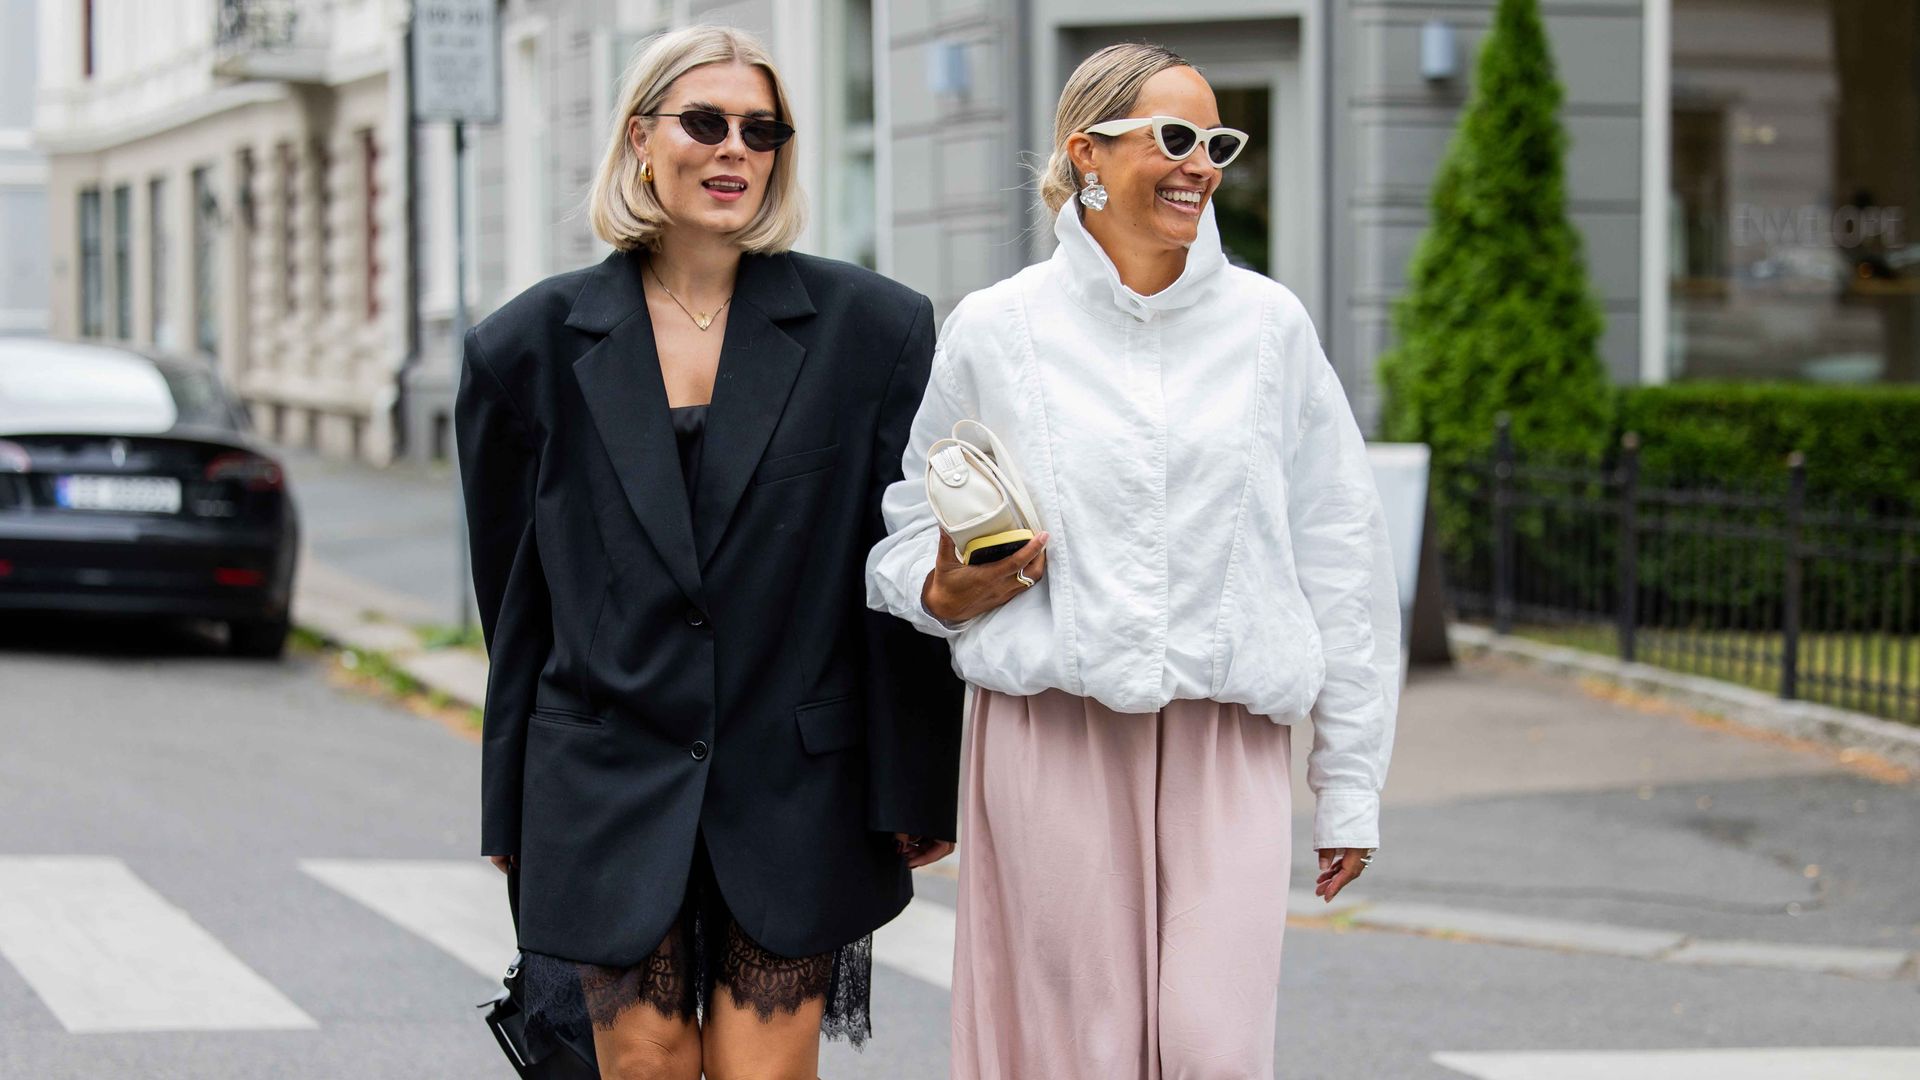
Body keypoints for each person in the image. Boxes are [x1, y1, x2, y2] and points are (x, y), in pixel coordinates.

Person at [865, 42, 1401, 1080]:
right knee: (1077, 1054)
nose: (1201, 163)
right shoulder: (999, 327)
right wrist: (943, 589)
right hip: (1049, 736)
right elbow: (898, 536)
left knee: (1214, 1049)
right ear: (1089, 153)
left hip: (1226, 741)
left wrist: (1350, 785)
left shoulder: (1269, 328)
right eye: (1175, 136)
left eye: (1217, 142)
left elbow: (1343, 552)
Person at [457, 25, 962, 1080]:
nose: (734, 148)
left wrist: (917, 780)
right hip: (602, 777)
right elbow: (514, 606)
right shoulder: (527, 348)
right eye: (705, 123)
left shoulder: (874, 332)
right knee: (640, 1066)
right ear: (642, 139)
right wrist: (508, 802)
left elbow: (895, 571)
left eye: (761, 129)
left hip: (793, 780)